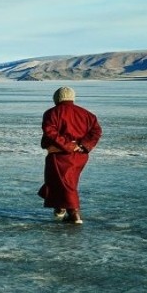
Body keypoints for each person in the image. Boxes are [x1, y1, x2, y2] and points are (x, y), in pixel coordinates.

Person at [38, 86, 102, 224]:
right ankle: (60, 207)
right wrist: (83, 146)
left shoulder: (52, 113)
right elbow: (96, 132)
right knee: (62, 181)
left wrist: (68, 146)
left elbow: (50, 132)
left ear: (56, 98)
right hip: (80, 156)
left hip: (59, 154)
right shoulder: (87, 114)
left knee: (66, 184)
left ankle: (74, 213)